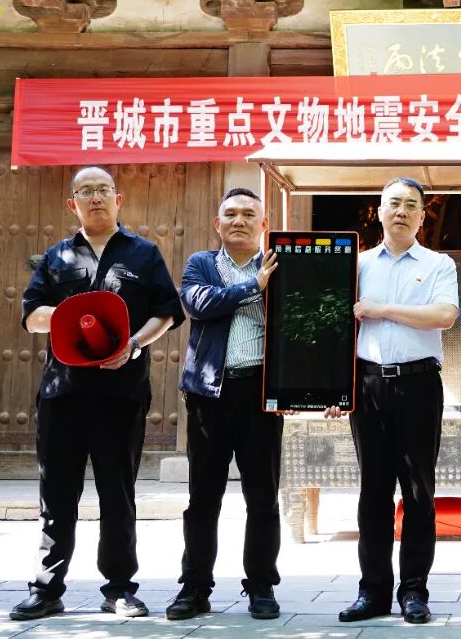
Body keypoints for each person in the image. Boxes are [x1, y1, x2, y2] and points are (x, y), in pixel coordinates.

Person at [11, 166, 184, 621]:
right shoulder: (57, 256)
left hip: (120, 393)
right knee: (56, 495)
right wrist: (68, 315)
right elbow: (31, 316)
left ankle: (120, 589)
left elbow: (167, 311)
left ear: (117, 199)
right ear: (73, 203)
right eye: (85, 191)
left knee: (117, 493)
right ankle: (47, 589)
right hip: (63, 393)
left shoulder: (144, 253)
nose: (95, 197)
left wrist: (134, 344)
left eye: (103, 189)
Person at [333, 177, 459, 625]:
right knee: (373, 493)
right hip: (367, 385)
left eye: (411, 205)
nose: (402, 211)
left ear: (422, 215)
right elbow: (336, 326)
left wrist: (381, 309)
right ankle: (372, 592)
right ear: (379, 211)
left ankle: (414, 592)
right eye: (394, 204)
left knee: (419, 492)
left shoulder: (439, 264)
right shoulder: (358, 264)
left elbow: (444, 316)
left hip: (418, 385)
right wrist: (334, 386)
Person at [165, 187, 289, 621]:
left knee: (263, 497)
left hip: (260, 395)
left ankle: (261, 587)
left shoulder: (278, 265)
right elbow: (199, 304)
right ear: (217, 224)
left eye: (248, 214)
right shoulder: (202, 264)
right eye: (230, 214)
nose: (239, 221)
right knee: (203, 498)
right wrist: (253, 287)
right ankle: (194, 588)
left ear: (263, 224)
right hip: (209, 395)